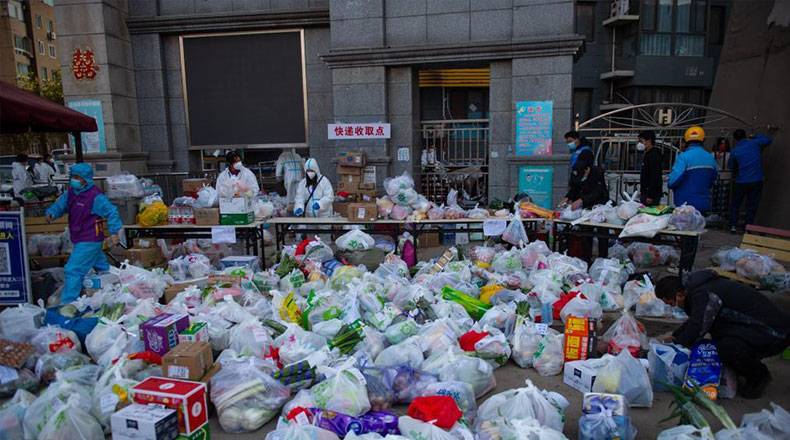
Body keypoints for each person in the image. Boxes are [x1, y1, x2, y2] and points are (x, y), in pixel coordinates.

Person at [655, 270, 789, 399]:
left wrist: (676, 345)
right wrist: (676, 336)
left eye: (671, 303)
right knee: (718, 340)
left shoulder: (704, 294)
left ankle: (758, 376)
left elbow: (699, 326)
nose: (673, 307)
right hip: (751, 327)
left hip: (773, 332)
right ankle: (744, 367)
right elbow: (697, 318)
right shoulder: (697, 290)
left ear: (679, 295)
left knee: (726, 348)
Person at [45, 163, 123, 304]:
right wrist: (51, 213)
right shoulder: (70, 193)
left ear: (85, 179)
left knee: (73, 270)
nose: (73, 180)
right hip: (79, 238)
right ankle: (118, 290)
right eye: (72, 177)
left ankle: (67, 304)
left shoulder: (95, 196)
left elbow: (112, 212)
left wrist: (114, 232)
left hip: (90, 239)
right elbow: (60, 205)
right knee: (103, 269)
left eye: (77, 177)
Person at [563, 155, 610, 261]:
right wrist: (568, 198)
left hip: (600, 206)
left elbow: (598, 192)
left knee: (602, 234)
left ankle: (602, 259)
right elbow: (574, 188)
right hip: (586, 209)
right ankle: (586, 258)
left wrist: (581, 200)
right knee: (585, 233)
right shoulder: (576, 172)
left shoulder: (597, 173)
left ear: (587, 169)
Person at [728, 129, 771, 232]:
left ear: (735, 139)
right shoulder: (755, 143)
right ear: (745, 135)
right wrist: (755, 136)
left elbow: (731, 166)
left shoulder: (735, 151)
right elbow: (768, 139)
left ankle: (733, 225)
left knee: (735, 204)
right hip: (756, 180)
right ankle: (748, 227)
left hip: (741, 181)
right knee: (752, 205)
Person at [668, 126, 717, 213]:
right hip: (703, 201)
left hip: (685, 203)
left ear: (686, 141)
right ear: (703, 140)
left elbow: (673, 181)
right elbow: (713, 179)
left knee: (685, 226)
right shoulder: (710, 157)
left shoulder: (683, 157)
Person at [637, 130, 663, 206]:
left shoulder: (653, 155)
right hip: (646, 192)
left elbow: (655, 176)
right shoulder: (648, 154)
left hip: (651, 195)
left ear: (649, 141)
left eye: (641, 141)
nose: (639, 144)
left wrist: (650, 195)